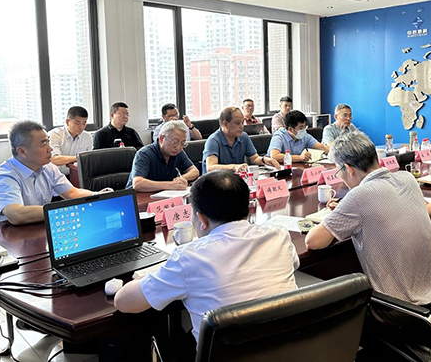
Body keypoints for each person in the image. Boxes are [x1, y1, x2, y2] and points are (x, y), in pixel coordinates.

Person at [114, 171, 299, 347]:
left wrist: (147, 276)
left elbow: (123, 302)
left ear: (201, 219)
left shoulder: (190, 258)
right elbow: (293, 264)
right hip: (288, 348)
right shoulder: (278, 236)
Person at [306, 131, 431, 306]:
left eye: (338, 172)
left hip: (401, 309)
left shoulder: (359, 196)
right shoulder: (407, 178)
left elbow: (313, 241)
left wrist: (336, 214)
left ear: (348, 169)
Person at [0, 121, 95, 225]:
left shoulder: (48, 168)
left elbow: (72, 193)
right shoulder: (4, 177)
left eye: (48, 142)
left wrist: (97, 195)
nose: (50, 149)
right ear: (22, 151)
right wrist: (65, 211)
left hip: (35, 227)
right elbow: (16, 214)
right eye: (43, 144)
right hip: (4, 234)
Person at [202, 107, 281, 174]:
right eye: (237, 123)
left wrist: (265, 160)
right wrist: (234, 167)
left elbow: (254, 158)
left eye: (242, 122)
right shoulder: (213, 140)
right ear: (225, 124)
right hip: (214, 182)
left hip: (235, 180)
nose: (242, 126)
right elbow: (210, 167)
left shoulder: (243, 136)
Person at [126, 120, 199, 191]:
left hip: (163, 195)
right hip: (137, 197)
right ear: (161, 139)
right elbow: (138, 183)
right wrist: (171, 185)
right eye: (175, 142)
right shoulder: (144, 154)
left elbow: (194, 171)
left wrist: (181, 179)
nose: (178, 147)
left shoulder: (178, 153)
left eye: (182, 143)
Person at [48, 106, 93, 176]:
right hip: (55, 176)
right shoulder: (55, 135)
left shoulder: (87, 136)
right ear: (67, 122)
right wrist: (79, 158)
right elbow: (54, 160)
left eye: (84, 123)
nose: (81, 127)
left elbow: (89, 160)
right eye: (77, 123)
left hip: (77, 175)